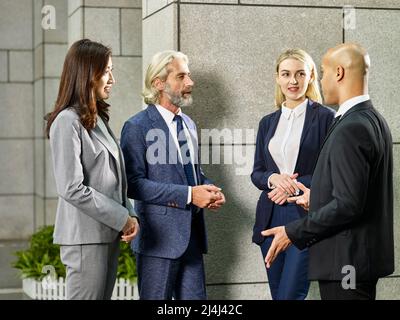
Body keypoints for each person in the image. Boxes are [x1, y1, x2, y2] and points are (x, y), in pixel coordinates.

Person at [263, 43, 394, 300]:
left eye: (321, 72)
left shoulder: (351, 127)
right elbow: (356, 193)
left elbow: (348, 205)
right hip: (355, 261)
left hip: (346, 264)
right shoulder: (372, 119)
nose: (320, 80)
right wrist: (317, 198)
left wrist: (292, 232)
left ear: (339, 73)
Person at [120, 50, 226, 300]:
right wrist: (191, 195)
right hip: (158, 241)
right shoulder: (136, 127)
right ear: (159, 83)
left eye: (188, 76)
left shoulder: (188, 124)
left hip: (193, 238)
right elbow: (133, 185)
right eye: (181, 77)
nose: (190, 83)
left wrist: (208, 190)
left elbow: (192, 172)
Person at [45, 39, 140, 300]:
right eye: (107, 71)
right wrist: (122, 217)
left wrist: (129, 215)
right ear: (88, 74)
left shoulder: (96, 119)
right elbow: (71, 188)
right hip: (85, 239)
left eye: (112, 70)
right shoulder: (67, 122)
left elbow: (115, 179)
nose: (112, 79)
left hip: (104, 234)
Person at [251, 49, 334, 300]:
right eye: (286, 74)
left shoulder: (326, 118)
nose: (293, 81)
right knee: (278, 295)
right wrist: (272, 179)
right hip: (270, 214)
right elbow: (257, 173)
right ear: (277, 77)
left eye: (300, 74)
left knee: (291, 296)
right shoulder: (268, 122)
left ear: (311, 77)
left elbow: (329, 172)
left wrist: (292, 184)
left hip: (304, 216)